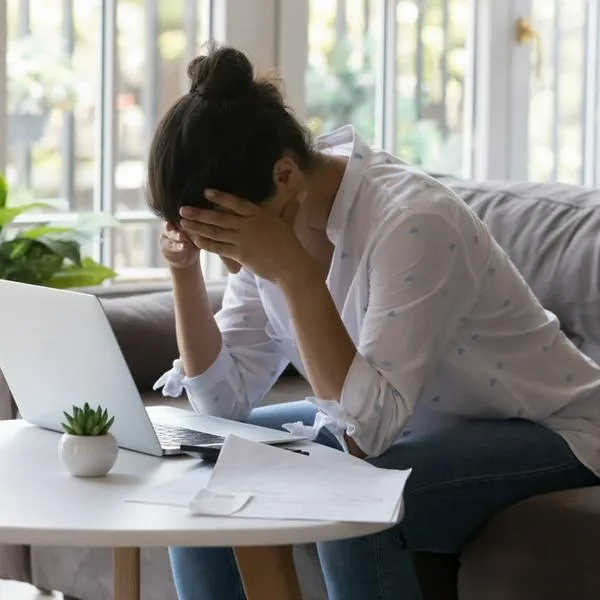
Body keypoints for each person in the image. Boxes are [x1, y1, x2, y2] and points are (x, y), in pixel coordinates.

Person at [147, 44, 600, 600]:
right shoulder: (269, 219)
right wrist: (185, 274)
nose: (228, 258)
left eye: (223, 235)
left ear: (285, 175)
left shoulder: (412, 222)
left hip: (551, 430)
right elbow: (223, 404)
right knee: (203, 472)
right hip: (411, 425)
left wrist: (296, 275)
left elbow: (365, 433)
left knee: (349, 503)